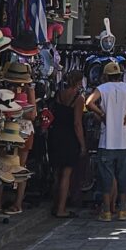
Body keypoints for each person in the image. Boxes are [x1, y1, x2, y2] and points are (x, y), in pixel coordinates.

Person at [86, 62, 126, 221]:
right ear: (121, 74)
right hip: (124, 140)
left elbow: (89, 103)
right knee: (124, 176)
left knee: (106, 177)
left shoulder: (102, 88)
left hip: (107, 141)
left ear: (106, 76)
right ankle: (123, 210)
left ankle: (106, 211)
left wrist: (102, 114)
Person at [49, 70, 86, 218]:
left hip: (56, 134)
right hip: (69, 137)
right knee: (66, 173)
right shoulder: (78, 98)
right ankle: (61, 208)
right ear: (79, 82)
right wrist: (82, 144)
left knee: (57, 172)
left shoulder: (59, 94)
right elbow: (77, 123)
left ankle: (55, 204)